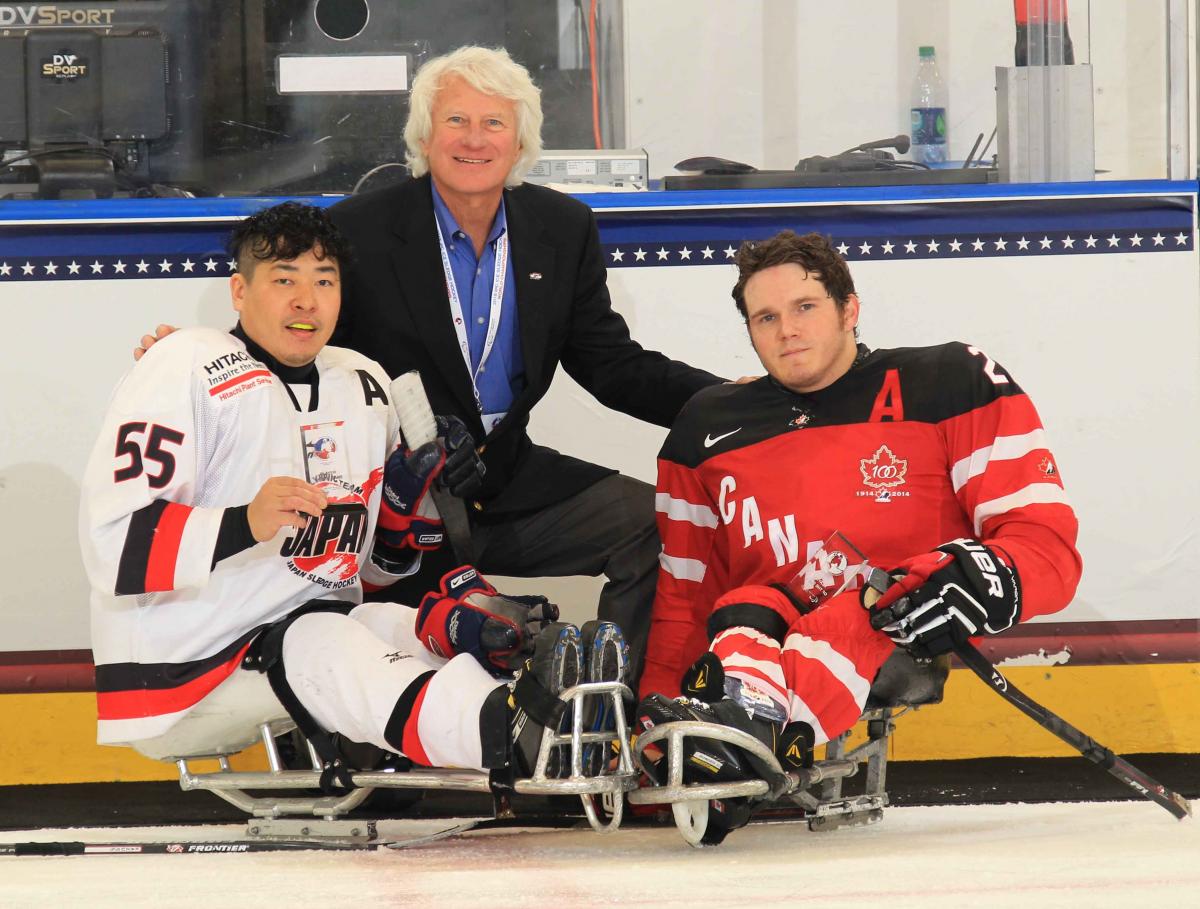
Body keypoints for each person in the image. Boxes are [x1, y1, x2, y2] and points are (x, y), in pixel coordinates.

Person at [135, 45, 724, 683]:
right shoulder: (358, 229)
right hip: (397, 495)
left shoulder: (563, 227)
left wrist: (730, 403)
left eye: (495, 122)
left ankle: (609, 716)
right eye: (456, 121)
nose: (475, 139)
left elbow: (612, 365)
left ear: (521, 138)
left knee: (653, 527)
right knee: (405, 742)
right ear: (424, 134)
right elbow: (294, 328)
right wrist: (200, 356)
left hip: (510, 479)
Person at [84, 201, 622, 786]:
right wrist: (244, 521)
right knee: (328, 638)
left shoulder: (362, 383)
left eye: (324, 280)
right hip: (184, 662)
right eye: (283, 279)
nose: (305, 301)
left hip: (306, 630)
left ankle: (554, 710)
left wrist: (404, 498)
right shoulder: (185, 364)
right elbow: (112, 542)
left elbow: (375, 571)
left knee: (410, 628)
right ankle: (511, 739)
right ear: (239, 291)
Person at [636, 230, 1082, 839]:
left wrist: (986, 574)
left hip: (893, 629)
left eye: (805, 307)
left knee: (857, 608)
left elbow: (1045, 544)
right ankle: (725, 732)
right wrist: (649, 729)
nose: (787, 330)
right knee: (744, 607)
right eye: (765, 317)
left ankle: (748, 731)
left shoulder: (951, 382)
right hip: (761, 636)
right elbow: (685, 598)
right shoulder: (705, 427)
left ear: (849, 310)